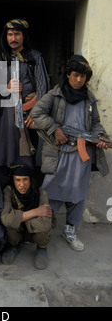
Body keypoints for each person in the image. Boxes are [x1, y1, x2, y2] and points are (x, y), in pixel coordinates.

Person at [30, 55, 110, 251]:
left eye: (83, 76)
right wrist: (55, 129)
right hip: (58, 153)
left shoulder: (89, 98)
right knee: (51, 190)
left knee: (78, 191)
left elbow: (96, 123)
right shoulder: (55, 95)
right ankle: (44, 230)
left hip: (80, 155)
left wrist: (100, 136)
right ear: (67, 75)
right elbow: (36, 114)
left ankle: (70, 229)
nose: (79, 80)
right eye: (75, 75)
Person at [0, 18, 50, 189]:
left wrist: (35, 115)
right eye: (10, 34)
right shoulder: (1, 58)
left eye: (17, 34)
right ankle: (7, 189)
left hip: (28, 114)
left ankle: (26, 190)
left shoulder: (35, 57)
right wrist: (6, 87)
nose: (13, 38)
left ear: (24, 36)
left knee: (26, 152)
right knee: (5, 152)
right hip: (7, 114)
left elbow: (43, 88)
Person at [1, 164, 53, 270]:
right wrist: (36, 212)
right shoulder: (9, 191)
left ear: (30, 180)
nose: (22, 184)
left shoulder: (41, 193)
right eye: (18, 180)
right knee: (9, 226)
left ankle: (41, 248)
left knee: (45, 228)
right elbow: (6, 219)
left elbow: (45, 223)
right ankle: (14, 246)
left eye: (25, 180)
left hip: (35, 232)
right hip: (21, 230)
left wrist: (18, 218)